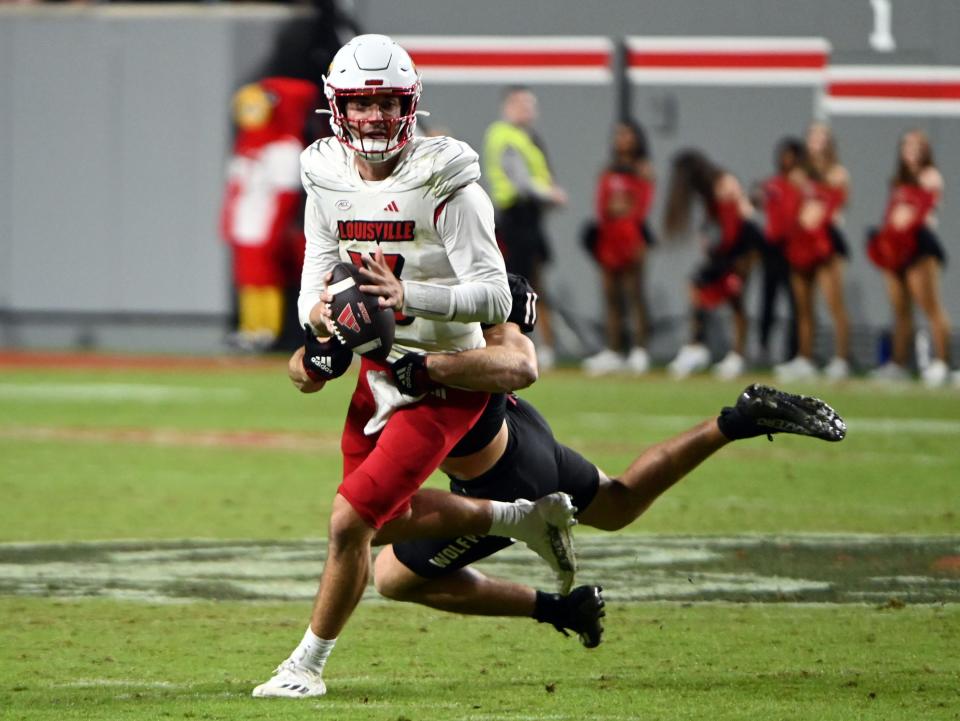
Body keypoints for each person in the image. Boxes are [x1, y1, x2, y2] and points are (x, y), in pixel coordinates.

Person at [251, 34, 578, 699]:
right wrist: (330, 320)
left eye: (387, 102)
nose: (373, 117)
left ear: (410, 104)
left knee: (349, 522)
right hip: (379, 376)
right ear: (337, 106)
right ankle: (521, 517)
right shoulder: (325, 174)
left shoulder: (445, 178)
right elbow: (312, 287)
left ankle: (305, 668)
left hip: (444, 371)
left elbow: (496, 293)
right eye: (361, 103)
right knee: (383, 521)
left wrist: (408, 298)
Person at [361, 276, 844, 647]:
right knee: (618, 504)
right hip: (522, 436)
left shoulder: (480, 313)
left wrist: (423, 364)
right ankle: (738, 420)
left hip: (506, 477)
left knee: (385, 563)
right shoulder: (463, 286)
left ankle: (548, 590)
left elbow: (516, 356)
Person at [221, 77, 318, 352]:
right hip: (245, 224)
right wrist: (228, 221)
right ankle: (249, 328)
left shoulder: (284, 147)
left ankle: (266, 331)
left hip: (265, 224)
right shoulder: (246, 144)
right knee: (246, 278)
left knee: (266, 278)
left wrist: (275, 228)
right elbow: (236, 188)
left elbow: (285, 193)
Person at [483, 86, 568, 370]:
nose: (528, 109)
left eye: (530, 104)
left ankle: (544, 345)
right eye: (521, 103)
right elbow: (520, 182)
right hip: (516, 219)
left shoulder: (526, 137)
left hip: (529, 219)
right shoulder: (505, 136)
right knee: (516, 284)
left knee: (534, 283)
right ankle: (514, 342)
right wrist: (551, 194)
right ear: (507, 106)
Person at [663, 149, 762, 380]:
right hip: (726, 247)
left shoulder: (723, 183)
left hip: (743, 245)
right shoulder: (708, 192)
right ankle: (697, 345)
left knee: (736, 298)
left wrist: (734, 263)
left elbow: (738, 223)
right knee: (697, 288)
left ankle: (738, 355)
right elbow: (717, 224)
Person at [866, 129, 953, 386]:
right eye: (907, 145)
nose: (912, 150)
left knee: (930, 305)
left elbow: (923, 208)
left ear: (926, 150)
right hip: (896, 247)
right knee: (900, 308)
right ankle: (898, 363)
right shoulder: (898, 180)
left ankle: (942, 362)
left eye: (917, 145)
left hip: (919, 245)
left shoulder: (929, 176)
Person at [774, 122, 852, 382]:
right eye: (811, 136)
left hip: (826, 241)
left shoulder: (837, 172)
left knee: (834, 303)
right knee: (803, 306)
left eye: (820, 136)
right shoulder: (798, 173)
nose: (815, 141)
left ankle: (841, 359)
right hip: (801, 242)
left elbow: (840, 202)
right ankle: (804, 358)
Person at [581, 120, 655, 376]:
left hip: (631, 237)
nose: (621, 139)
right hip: (608, 238)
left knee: (635, 295)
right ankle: (613, 350)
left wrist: (624, 211)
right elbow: (602, 205)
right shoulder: (608, 171)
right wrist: (615, 210)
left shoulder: (642, 169)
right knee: (611, 296)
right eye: (618, 135)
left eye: (627, 135)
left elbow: (642, 205)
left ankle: (640, 350)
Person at [755, 137, 803, 366]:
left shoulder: (800, 183)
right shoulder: (772, 184)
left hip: (792, 247)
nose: (786, 159)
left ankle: (793, 353)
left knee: (795, 302)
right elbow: (756, 201)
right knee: (768, 300)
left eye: (791, 155)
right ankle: (763, 348)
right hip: (771, 247)